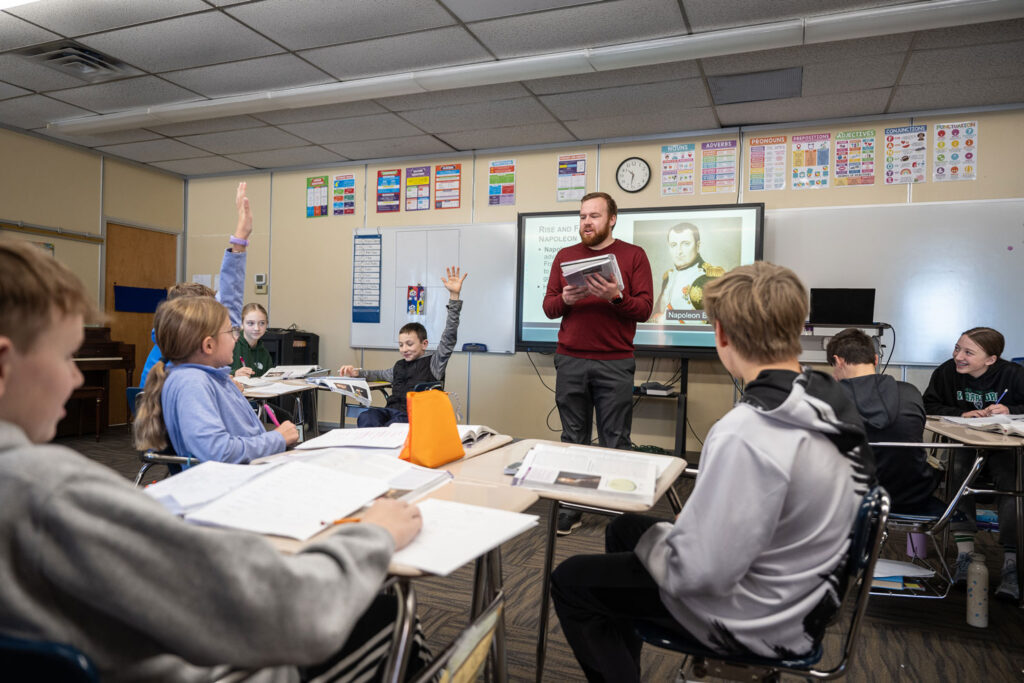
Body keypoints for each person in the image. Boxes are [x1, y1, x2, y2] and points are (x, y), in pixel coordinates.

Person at [0, 240, 430, 682]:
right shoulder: (51, 494)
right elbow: (292, 612)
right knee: (391, 607)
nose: (75, 376)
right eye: (65, 356)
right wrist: (373, 535)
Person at [550, 262, 875, 683]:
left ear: (721, 334)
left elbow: (698, 572)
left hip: (757, 620)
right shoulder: (827, 399)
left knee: (571, 579)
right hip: (808, 591)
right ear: (799, 326)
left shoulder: (746, 430)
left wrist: (686, 534)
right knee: (626, 530)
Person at [542, 191, 653, 534]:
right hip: (571, 359)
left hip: (615, 362)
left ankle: (616, 511)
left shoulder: (633, 256)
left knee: (615, 440)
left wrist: (616, 297)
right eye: (582, 217)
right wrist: (566, 298)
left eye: (594, 216)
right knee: (573, 438)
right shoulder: (565, 255)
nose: (586, 223)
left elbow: (645, 309)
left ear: (612, 219)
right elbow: (548, 308)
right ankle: (572, 508)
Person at [922, 326, 1024, 599]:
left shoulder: (1013, 375)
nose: (958, 356)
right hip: (967, 443)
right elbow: (928, 406)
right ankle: (965, 554)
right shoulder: (946, 373)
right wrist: (962, 413)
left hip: (1005, 447)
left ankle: (1011, 562)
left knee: (1011, 478)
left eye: (968, 352)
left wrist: (1010, 410)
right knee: (958, 468)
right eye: (957, 348)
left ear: (991, 359)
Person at [134, 296, 298, 463]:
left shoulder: (206, 376)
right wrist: (278, 438)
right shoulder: (192, 383)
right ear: (209, 345)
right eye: (230, 331)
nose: (236, 338)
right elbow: (218, 451)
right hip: (231, 479)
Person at [140, 181, 251, 385]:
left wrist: (240, 241)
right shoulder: (187, 379)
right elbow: (230, 302)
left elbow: (229, 302)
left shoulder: (178, 354)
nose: (235, 338)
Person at [827, 328, 943, 515]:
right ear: (875, 359)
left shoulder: (830, 396)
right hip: (913, 497)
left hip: (851, 498)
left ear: (838, 361)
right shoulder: (910, 392)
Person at [339, 266, 467, 427]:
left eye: (409, 344)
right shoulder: (399, 366)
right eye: (400, 345)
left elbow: (449, 336)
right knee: (367, 416)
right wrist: (356, 372)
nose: (404, 349)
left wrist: (454, 296)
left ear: (424, 344)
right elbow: (377, 375)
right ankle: (372, 447)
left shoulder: (434, 363)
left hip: (415, 416)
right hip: (392, 410)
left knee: (394, 425)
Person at [650, 222, 724, 323]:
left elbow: (713, 322)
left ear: (698, 246)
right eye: (673, 245)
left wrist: (664, 319)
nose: (679, 251)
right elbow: (654, 315)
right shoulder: (668, 277)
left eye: (685, 244)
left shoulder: (709, 278)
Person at [232, 302, 273, 378]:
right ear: (241, 324)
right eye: (250, 323)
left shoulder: (264, 352)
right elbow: (212, 375)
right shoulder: (230, 345)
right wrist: (234, 374)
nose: (256, 328)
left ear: (267, 324)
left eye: (262, 323)